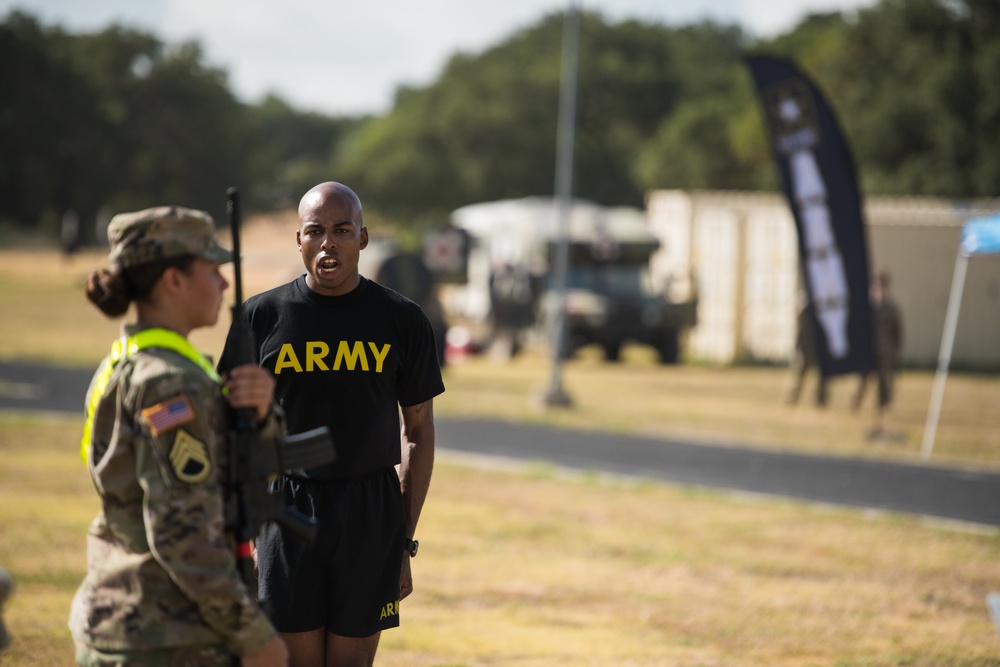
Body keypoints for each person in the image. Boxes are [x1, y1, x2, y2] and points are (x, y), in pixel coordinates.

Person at [218, 182, 444, 667]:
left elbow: (418, 432)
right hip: (288, 507)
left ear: (362, 239)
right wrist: (246, 528)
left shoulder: (402, 319)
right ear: (298, 239)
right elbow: (229, 434)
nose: (328, 243)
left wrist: (403, 539)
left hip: (371, 510)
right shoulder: (259, 316)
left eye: (342, 231)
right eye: (316, 231)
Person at [69, 206, 289, 667]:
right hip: (166, 635)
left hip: (132, 618)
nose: (225, 285)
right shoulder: (171, 382)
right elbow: (181, 531)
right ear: (173, 280)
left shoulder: (131, 363)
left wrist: (262, 416)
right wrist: (253, 635)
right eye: (213, 270)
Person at [853, 271, 904, 439]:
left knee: (885, 384)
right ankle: (855, 403)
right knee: (862, 380)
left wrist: (896, 352)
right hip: (869, 351)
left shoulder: (891, 308)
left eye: (882, 288)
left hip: (885, 352)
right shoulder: (867, 309)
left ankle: (883, 408)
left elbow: (898, 333)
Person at [785, 293, 828, 407]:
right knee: (799, 378)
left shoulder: (820, 309)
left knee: (822, 378)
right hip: (806, 351)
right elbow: (800, 332)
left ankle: (821, 402)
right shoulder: (806, 310)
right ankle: (793, 400)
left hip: (816, 350)